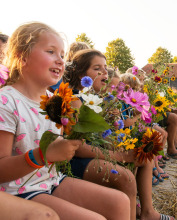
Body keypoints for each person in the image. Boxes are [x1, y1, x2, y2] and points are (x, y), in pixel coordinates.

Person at [0, 22, 130, 220]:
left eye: (62, 55)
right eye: (51, 52)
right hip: (18, 190)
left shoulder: (55, 100)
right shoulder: (6, 101)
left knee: (120, 201)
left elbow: (59, 146)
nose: (61, 61)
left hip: (51, 180)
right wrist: (43, 155)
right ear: (21, 56)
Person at [63, 49, 174, 220]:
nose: (103, 72)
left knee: (143, 155)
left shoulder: (97, 99)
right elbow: (78, 148)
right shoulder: (75, 101)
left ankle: (147, 212)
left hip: (96, 152)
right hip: (74, 160)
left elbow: (104, 135)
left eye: (105, 67)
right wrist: (121, 156)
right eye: (97, 68)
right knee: (126, 177)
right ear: (80, 74)